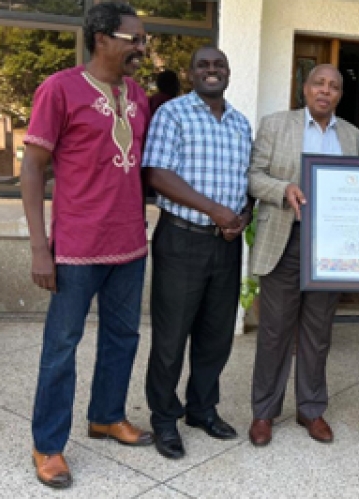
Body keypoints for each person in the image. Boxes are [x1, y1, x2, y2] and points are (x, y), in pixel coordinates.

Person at [21, 2, 152, 489]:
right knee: (61, 348)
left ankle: (106, 416)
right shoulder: (59, 89)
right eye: (134, 39)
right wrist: (40, 246)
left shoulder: (136, 94)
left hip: (129, 245)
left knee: (123, 338)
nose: (142, 47)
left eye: (143, 39)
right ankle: (48, 444)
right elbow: (33, 168)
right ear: (102, 39)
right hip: (75, 247)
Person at [142, 46, 253, 460]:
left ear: (228, 71)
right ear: (191, 73)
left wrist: (241, 215)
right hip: (182, 240)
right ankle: (164, 418)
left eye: (218, 65)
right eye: (203, 65)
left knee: (216, 335)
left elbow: (246, 182)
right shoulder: (172, 114)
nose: (211, 71)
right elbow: (156, 174)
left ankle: (202, 409)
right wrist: (216, 210)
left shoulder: (241, 124)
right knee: (171, 338)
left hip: (225, 244)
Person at [247, 64, 359, 446]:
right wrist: (284, 189)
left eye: (333, 86)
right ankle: (264, 412)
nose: (325, 91)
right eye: (319, 83)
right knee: (274, 332)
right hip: (286, 239)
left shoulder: (353, 136)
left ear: (340, 95)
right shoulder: (275, 125)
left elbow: (358, 189)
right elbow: (253, 176)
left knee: (318, 332)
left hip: (330, 248)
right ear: (305, 88)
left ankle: (311, 409)